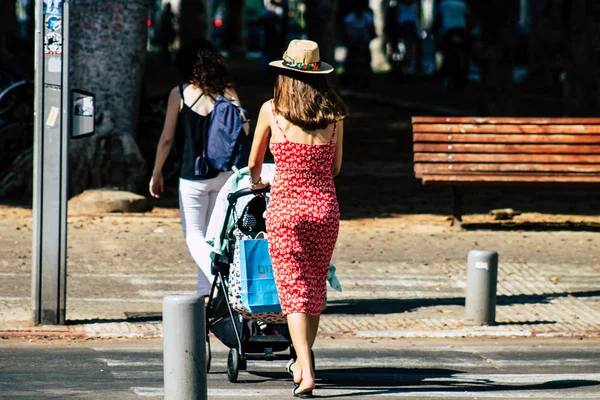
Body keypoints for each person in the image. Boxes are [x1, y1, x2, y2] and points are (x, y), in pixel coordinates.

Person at [247, 39, 347, 398]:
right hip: (324, 209)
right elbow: (335, 168)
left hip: (286, 209)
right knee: (315, 289)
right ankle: (302, 362)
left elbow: (254, 163)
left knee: (292, 292)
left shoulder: (271, 110)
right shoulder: (334, 115)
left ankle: (305, 369)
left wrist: (258, 182)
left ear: (284, 75)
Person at [149, 40, 249, 298]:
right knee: (215, 236)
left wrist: (157, 172)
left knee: (194, 235)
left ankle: (219, 280)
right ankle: (206, 291)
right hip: (225, 174)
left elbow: (167, 138)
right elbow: (245, 129)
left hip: (193, 176)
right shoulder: (227, 92)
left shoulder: (180, 93)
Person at [342, 4, 376, 89]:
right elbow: (346, 31)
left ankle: (366, 78)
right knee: (351, 59)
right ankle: (349, 78)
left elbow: (371, 30)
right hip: (353, 40)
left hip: (364, 39)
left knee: (366, 58)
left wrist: (367, 39)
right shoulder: (350, 18)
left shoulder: (367, 17)